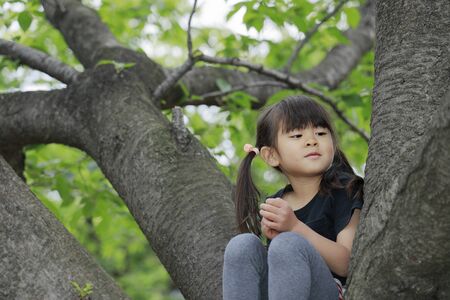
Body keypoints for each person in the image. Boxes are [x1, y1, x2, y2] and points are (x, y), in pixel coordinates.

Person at [222, 95, 364, 300]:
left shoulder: (345, 188)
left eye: (321, 132)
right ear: (271, 155)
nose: (312, 141)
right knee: (242, 245)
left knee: (288, 243)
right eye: (297, 135)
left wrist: (295, 228)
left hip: (331, 291)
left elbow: (347, 263)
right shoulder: (277, 203)